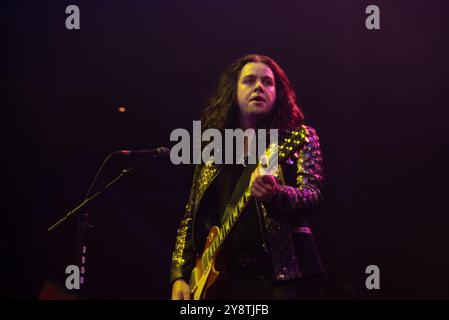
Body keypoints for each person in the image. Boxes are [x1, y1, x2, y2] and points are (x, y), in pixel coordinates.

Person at [170, 54, 324, 300]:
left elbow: (313, 196)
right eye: (249, 81)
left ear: (278, 93)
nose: (259, 87)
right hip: (223, 279)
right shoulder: (214, 149)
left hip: (281, 276)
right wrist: (180, 273)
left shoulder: (299, 138)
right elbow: (191, 214)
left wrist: (276, 195)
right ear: (233, 90)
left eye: (267, 82)